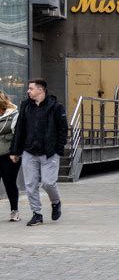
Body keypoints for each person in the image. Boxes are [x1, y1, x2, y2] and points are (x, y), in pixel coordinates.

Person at [7, 79, 67, 226]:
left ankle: (56, 202)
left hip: (49, 152)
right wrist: (15, 151)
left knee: (48, 183)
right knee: (30, 184)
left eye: (31, 88)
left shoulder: (56, 107)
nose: (28, 91)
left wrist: (58, 150)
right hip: (29, 152)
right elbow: (19, 129)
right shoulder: (26, 106)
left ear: (41, 90)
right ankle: (37, 214)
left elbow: (63, 130)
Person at [0, 92, 20, 221]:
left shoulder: (13, 114)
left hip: (9, 155)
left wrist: (16, 152)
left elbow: (17, 135)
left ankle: (14, 210)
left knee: (9, 182)